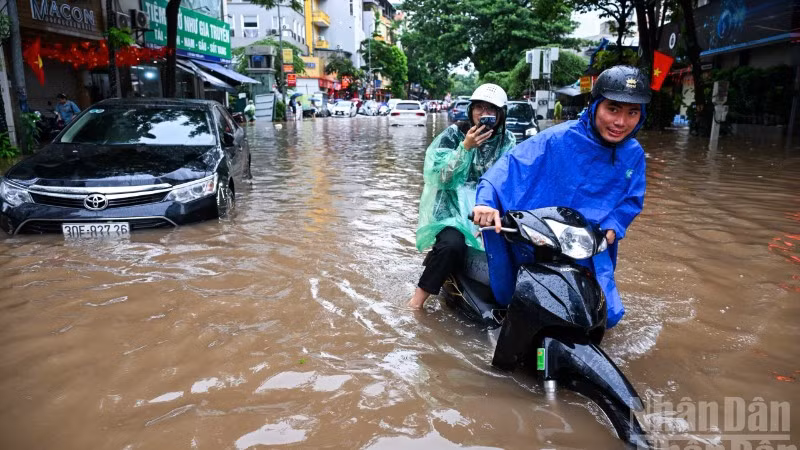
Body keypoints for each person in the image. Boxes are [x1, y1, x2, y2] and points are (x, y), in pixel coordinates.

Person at [471, 65, 652, 327]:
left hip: (589, 245)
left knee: (605, 316)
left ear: (641, 115)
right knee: (516, 303)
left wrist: (615, 224)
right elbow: (504, 171)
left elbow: (632, 199)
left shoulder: (633, 153)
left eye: (632, 112)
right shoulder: (556, 138)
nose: (621, 122)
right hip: (540, 241)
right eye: (613, 109)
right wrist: (485, 204)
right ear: (595, 106)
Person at [408, 84, 516, 309]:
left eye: (491, 109)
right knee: (451, 247)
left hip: (491, 209)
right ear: (471, 110)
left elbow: (511, 180)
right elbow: (440, 177)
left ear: (500, 114)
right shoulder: (454, 135)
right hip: (452, 212)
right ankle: (416, 302)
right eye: (479, 108)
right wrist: (465, 148)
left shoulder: (508, 141)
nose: (484, 113)